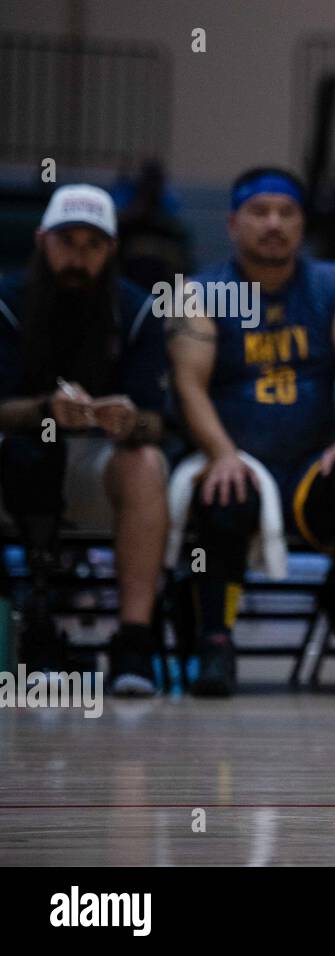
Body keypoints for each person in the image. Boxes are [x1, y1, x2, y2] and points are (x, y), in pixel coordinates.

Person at [169, 167, 335, 697]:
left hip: (309, 461)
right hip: (237, 454)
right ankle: (215, 644)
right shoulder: (201, 292)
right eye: (260, 212)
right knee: (222, 494)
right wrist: (221, 452)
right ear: (233, 223)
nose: (274, 224)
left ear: (302, 224)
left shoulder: (334, 283)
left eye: (287, 213)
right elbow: (190, 386)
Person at [0, 184, 169, 695]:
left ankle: (134, 644)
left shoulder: (136, 311)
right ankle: (35, 622)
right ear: (41, 241)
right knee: (31, 453)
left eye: (92, 244)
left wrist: (128, 419)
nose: (78, 255)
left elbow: (158, 422)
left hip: (99, 458)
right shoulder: (7, 303)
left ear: (111, 250)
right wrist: (44, 410)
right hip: (19, 452)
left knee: (146, 462)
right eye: (66, 241)